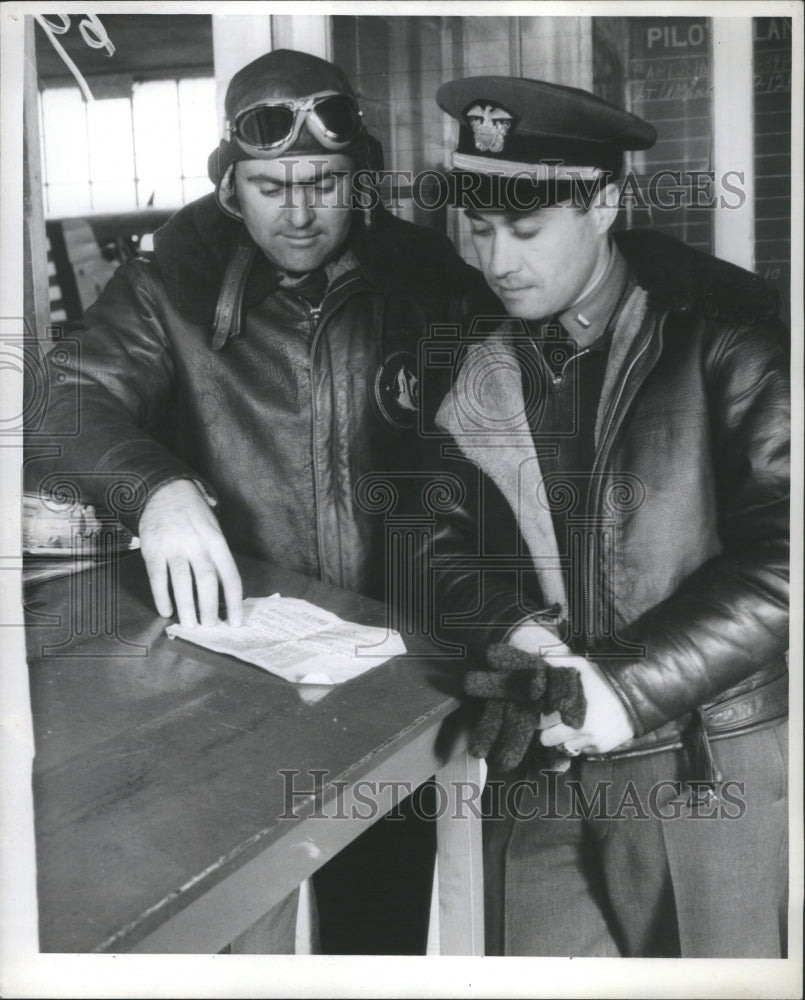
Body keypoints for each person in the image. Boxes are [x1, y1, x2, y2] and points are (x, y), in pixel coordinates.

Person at [26, 49, 498, 954]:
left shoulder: (428, 280)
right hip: (233, 684)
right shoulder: (169, 284)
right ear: (230, 186)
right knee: (240, 933)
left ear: (355, 180)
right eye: (271, 185)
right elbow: (60, 402)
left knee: (377, 937)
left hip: (392, 670)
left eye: (322, 182)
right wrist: (154, 489)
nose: (299, 210)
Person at [419, 76, 789, 957]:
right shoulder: (471, 344)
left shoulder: (726, 332)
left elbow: (786, 555)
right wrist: (512, 630)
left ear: (605, 204)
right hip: (534, 759)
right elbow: (433, 541)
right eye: (479, 230)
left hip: (696, 760)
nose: (499, 260)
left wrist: (627, 686)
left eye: (525, 230)